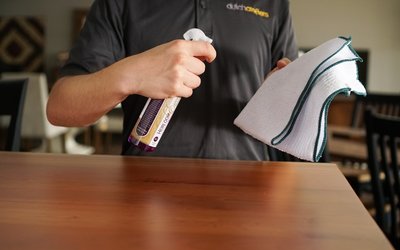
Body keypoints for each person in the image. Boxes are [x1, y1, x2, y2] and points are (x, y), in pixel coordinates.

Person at [47, 0, 298, 160]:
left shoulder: (274, 4)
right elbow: (61, 108)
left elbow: (292, 119)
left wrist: (286, 100)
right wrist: (132, 74)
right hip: (145, 187)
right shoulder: (119, 3)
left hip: (248, 187)